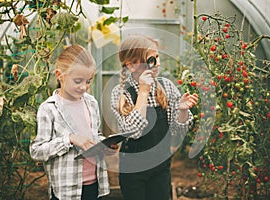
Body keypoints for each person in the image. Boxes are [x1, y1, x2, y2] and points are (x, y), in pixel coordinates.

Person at [110, 34, 199, 200]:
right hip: (132, 171)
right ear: (131, 65)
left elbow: (177, 133)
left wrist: (182, 111)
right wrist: (143, 91)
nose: (157, 63)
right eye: (150, 59)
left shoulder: (167, 87)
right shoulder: (121, 93)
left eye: (157, 57)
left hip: (160, 167)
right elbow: (134, 132)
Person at [30, 45, 116, 200]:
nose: (84, 87)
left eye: (88, 81)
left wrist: (105, 144)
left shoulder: (91, 103)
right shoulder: (49, 109)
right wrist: (69, 139)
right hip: (66, 191)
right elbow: (36, 151)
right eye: (78, 81)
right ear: (60, 75)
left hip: (95, 185)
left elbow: (94, 136)